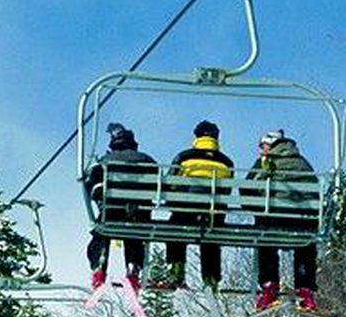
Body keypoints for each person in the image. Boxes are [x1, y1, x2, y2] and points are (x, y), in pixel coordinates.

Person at [248, 129, 320, 312]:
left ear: (271, 146)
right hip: (303, 219)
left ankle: (269, 285)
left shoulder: (266, 162)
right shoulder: (303, 163)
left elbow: (248, 190)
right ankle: (305, 289)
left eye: (262, 146)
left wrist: (257, 210)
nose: (260, 150)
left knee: (266, 241)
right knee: (305, 245)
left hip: (274, 218)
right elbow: (314, 191)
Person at [84, 122, 157, 291]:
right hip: (139, 211)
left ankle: (99, 268)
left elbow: (91, 184)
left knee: (101, 233)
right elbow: (159, 185)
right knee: (134, 234)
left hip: (111, 210)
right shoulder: (147, 160)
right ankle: (133, 269)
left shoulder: (105, 160)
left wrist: (97, 197)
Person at [162, 120, 234, 290]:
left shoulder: (185, 157)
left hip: (185, 212)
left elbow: (169, 184)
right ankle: (211, 278)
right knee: (211, 238)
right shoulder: (226, 162)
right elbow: (227, 190)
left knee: (174, 230)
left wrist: (174, 201)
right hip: (212, 214)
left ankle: (176, 271)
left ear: (196, 136)